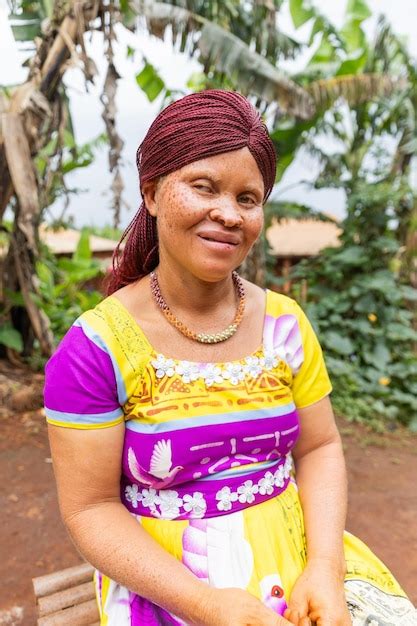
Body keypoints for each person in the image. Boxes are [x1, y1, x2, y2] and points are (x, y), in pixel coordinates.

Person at [44, 90, 417, 626]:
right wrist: (205, 604)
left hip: (303, 567)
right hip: (171, 588)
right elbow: (90, 508)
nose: (228, 214)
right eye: (203, 187)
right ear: (151, 193)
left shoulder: (285, 326)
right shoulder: (94, 351)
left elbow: (319, 446)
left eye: (248, 198)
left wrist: (325, 569)